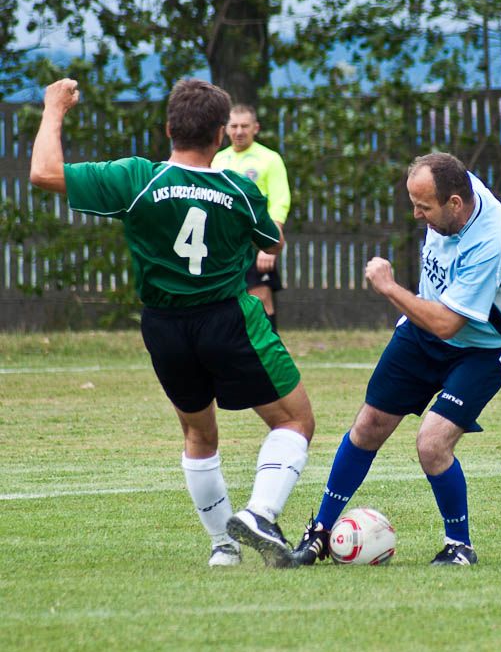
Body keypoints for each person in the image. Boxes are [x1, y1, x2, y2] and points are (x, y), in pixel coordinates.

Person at [30, 78, 316, 567]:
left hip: (164, 326)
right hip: (227, 320)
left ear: (168, 128)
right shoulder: (240, 188)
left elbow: (43, 173)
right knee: (295, 420)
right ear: (221, 135)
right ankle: (260, 514)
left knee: (199, 435)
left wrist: (54, 108)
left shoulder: (136, 178)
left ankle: (223, 548)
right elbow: (272, 243)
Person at [291, 152, 501, 567]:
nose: (416, 214)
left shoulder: (494, 241)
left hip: (487, 345)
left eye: (424, 206)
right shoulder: (452, 185)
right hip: (426, 324)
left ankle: (460, 545)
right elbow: (434, 320)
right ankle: (320, 531)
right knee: (368, 425)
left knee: (432, 443)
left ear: (455, 204)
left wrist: (388, 287)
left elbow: (447, 325)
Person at [212, 104, 291, 332]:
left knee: (260, 297)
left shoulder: (270, 159)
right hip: (225, 246)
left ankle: (269, 354)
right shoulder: (217, 160)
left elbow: (279, 201)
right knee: (223, 301)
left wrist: (269, 245)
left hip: (256, 243)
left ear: (255, 128)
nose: (239, 131)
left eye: (244, 126)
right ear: (225, 129)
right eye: (234, 126)